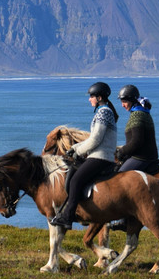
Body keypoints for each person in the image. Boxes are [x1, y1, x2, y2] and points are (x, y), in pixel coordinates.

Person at [48, 82, 118, 228]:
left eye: (92, 96)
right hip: (97, 155)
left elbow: (95, 139)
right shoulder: (103, 111)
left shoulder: (104, 112)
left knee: (75, 181)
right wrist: (74, 148)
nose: (89, 99)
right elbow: (93, 138)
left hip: (101, 157)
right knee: (72, 175)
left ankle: (67, 218)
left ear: (99, 98)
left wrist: (78, 151)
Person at [114, 84, 159, 174]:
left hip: (142, 157)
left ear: (132, 100)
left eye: (124, 101)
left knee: (119, 176)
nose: (122, 105)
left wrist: (122, 152)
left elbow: (137, 141)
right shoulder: (142, 112)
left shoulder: (137, 115)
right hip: (144, 155)